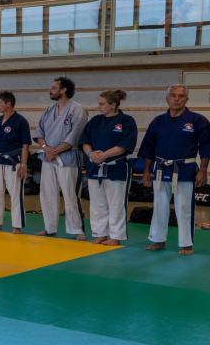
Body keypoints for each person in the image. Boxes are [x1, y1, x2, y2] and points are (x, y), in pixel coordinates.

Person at [139, 85, 210, 256]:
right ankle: (158, 240)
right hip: (160, 169)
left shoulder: (198, 120)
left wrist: (203, 170)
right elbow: (148, 148)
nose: (177, 99)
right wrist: (146, 171)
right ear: (167, 98)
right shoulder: (158, 121)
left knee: (184, 207)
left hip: (185, 169)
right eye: (173, 95)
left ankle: (186, 244)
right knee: (159, 206)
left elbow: (206, 147)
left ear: (187, 99)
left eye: (181, 96)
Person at [81, 90, 138, 247]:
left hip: (116, 167)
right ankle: (100, 233)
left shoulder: (126, 121)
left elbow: (125, 145)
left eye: (102, 104)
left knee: (116, 204)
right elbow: (85, 141)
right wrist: (91, 153)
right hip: (95, 167)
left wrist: (104, 155)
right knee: (97, 203)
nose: (99, 106)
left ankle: (115, 236)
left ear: (113, 105)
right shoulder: (95, 121)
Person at [33, 77, 87, 240]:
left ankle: (77, 229)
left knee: (70, 194)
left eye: (54, 88)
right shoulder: (49, 109)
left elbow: (76, 135)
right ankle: (50, 228)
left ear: (64, 90)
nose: (50, 90)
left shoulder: (77, 110)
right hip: (48, 158)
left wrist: (55, 150)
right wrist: (46, 148)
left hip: (68, 158)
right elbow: (39, 133)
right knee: (47, 194)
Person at [0, 91, 32, 233]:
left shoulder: (20, 121)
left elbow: (25, 145)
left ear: (8, 104)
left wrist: (23, 165)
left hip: (13, 162)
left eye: (0, 102)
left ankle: (17, 225)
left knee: (15, 194)